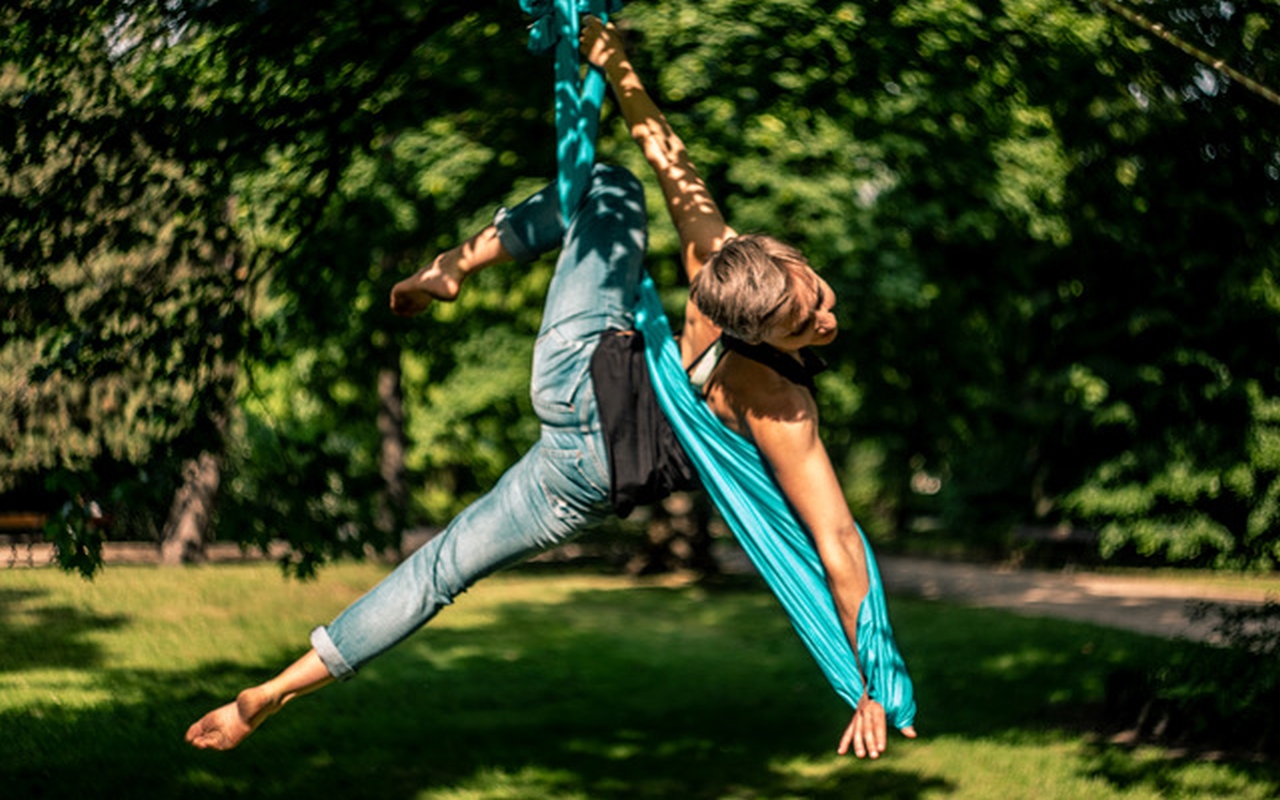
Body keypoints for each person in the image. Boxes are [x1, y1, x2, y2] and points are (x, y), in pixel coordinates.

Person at [185, 18, 914, 760]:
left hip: (574, 373)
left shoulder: (716, 258)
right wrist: (873, 678)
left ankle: (272, 690)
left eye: (816, 305)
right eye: (806, 318)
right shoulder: (780, 405)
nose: (827, 319)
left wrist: (614, 62)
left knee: (608, 191)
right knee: (445, 567)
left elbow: (663, 152)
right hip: (589, 476)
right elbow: (836, 543)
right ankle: (453, 267)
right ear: (757, 329)